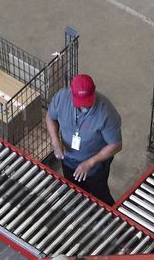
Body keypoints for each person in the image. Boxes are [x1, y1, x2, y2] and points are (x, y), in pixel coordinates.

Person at [45, 74, 123, 204]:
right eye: (80, 102)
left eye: (87, 101)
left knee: (100, 196)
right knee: (74, 191)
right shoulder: (61, 98)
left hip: (94, 168)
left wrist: (90, 163)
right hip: (68, 160)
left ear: (94, 90)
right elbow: (50, 117)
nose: (84, 107)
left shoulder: (106, 112)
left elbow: (116, 145)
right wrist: (55, 141)